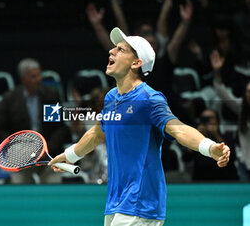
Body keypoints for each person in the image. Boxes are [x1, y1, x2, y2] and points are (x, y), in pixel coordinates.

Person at [49, 27, 230, 226]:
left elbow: (178, 129)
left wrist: (209, 147)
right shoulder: (111, 98)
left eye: (121, 50)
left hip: (141, 203)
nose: (111, 51)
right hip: (116, 202)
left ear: (136, 63)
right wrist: (70, 155)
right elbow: (97, 133)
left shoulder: (149, 99)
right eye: (113, 48)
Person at [0, 58, 71, 184]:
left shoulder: (50, 96)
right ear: (24, 79)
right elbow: (0, 132)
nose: (39, 79)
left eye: (39, 75)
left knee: (53, 186)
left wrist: (47, 149)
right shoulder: (10, 100)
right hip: (21, 159)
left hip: (48, 156)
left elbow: (59, 128)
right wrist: (18, 149)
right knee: (19, 186)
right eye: (34, 76)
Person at [211, 49, 250, 181]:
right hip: (245, 164)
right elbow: (222, 92)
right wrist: (217, 72)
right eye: (248, 91)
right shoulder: (241, 108)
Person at [182, 109, 238, 181]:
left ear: (218, 121)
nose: (207, 121)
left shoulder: (227, 137)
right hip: (202, 179)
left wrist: (216, 134)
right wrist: (197, 136)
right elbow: (185, 158)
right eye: (204, 119)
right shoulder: (197, 139)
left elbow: (232, 157)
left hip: (225, 179)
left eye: (210, 118)